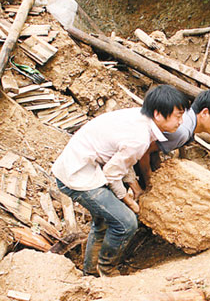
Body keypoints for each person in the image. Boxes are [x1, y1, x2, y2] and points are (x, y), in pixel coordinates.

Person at [52, 84, 189, 277]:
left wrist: (133, 186)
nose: (181, 122)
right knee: (126, 222)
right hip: (77, 175)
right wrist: (127, 199)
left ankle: (90, 272)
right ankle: (106, 269)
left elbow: (121, 159)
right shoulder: (139, 138)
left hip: (82, 166)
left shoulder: (139, 118)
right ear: (158, 114)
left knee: (104, 221)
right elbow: (112, 173)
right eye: (178, 116)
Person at [140, 89, 210, 187]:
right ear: (205, 113)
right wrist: (149, 181)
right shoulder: (182, 130)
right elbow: (144, 151)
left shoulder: (187, 116)